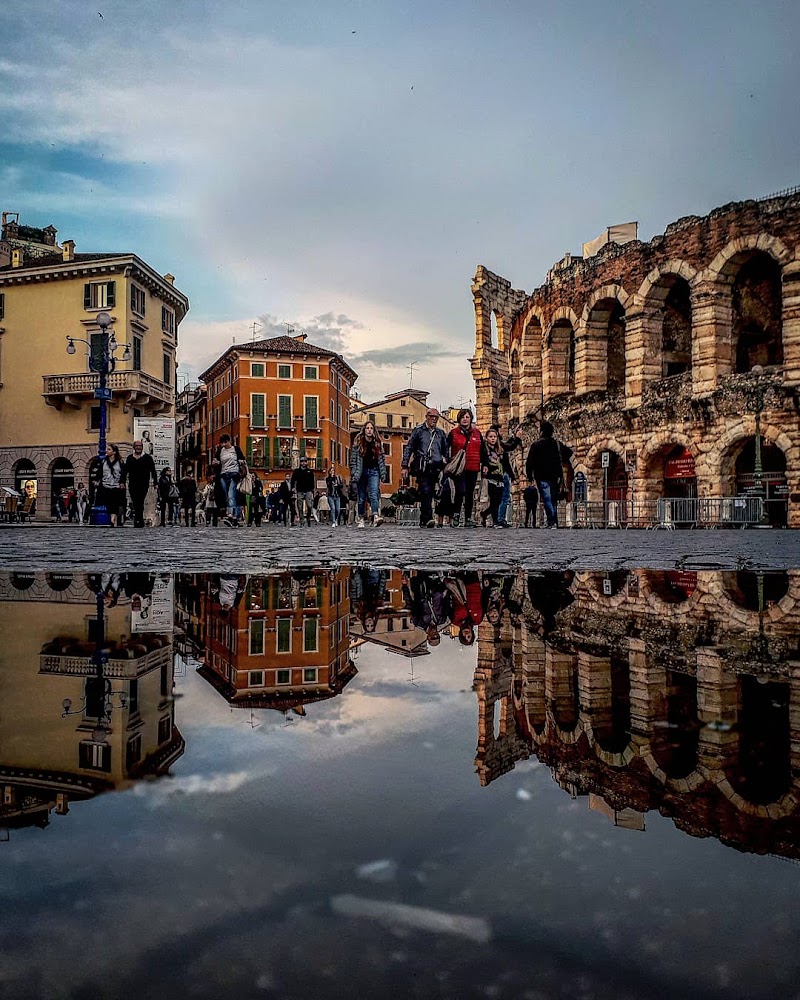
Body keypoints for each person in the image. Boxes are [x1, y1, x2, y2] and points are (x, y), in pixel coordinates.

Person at [401, 407, 449, 527]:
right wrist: (404, 465)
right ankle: (428, 518)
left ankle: (424, 520)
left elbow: (446, 450)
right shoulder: (418, 431)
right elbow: (409, 448)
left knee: (430, 492)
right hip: (422, 466)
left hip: (436, 467)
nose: (434, 419)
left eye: (436, 417)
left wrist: (445, 461)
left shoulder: (441, 433)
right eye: (431, 417)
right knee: (426, 490)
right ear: (426, 417)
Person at [525, 421, 573, 528]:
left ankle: (552, 521)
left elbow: (529, 462)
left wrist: (529, 476)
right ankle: (553, 521)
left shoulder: (536, 445)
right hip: (555, 475)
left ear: (541, 431)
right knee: (553, 499)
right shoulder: (556, 444)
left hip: (541, 476)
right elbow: (569, 453)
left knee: (547, 498)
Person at [446, 408, 483, 527]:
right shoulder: (453, 433)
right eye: (463, 417)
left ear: (471, 418)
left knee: (469, 493)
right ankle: (456, 513)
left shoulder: (477, 433)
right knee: (460, 490)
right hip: (459, 467)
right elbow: (446, 448)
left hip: (473, 466)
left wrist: (485, 464)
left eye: (467, 417)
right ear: (459, 419)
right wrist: (447, 461)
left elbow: (482, 450)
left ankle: (468, 517)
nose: (465, 419)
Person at [349, 419, 388, 528]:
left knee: (374, 494)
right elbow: (353, 460)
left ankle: (375, 516)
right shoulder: (358, 444)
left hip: (374, 471)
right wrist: (353, 473)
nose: (369, 430)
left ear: (374, 430)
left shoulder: (378, 444)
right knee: (361, 497)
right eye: (367, 428)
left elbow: (382, 460)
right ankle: (361, 518)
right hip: (361, 472)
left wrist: (383, 473)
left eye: (371, 428)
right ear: (364, 430)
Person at [212, 433, 247, 526]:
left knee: (231, 494)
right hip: (223, 475)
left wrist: (241, 461)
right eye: (222, 443)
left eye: (225, 442)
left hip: (234, 474)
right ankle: (235, 517)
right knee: (228, 496)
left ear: (229, 441)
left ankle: (230, 514)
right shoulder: (220, 451)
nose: (223, 445)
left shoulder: (236, 449)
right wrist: (216, 462)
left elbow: (243, 459)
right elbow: (215, 461)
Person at [492, 423, 523, 527]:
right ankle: (500, 519)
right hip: (501, 473)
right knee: (504, 497)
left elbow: (506, 445)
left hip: (497, 473)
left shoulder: (495, 443)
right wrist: (517, 438)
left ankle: (496, 518)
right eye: (500, 431)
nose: (502, 433)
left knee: (498, 498)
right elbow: (509, 448)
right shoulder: (498, 444)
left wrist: (513, 437)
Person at [122, 439, 158, 528]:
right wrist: (122, 481)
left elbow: (153, 471)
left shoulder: (148, 458)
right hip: (132, 483)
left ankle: (139, 520)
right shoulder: (130, 458)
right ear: (134, 447)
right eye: (137, 446)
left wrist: (155, 482)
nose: (138, 448)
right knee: (135, 502)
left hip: (143, 483)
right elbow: (125, 471)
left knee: (140, 501)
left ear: (142, 447)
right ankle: (138, 519)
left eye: (140, 446)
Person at [479, 427, 505, 527]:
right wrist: (485, 467)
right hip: (490, 477)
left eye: (494, 437)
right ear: (486, 438)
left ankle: (484, 514)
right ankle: (495, 521)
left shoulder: (500, 449)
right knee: (493, 500)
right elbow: (484, 459)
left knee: (497, 502)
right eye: (490, 437)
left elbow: (505, 462)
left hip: (500, 477)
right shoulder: (484, 448)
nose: (493, 439)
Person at [97, 444, 125, 526]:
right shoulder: (103, 461)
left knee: (115, 503)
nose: (107, 451)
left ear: (114, 452)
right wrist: (97, 480)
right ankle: (112, 518)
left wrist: (122, 482)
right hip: (106, 485)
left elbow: (123, 473)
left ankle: (113, 518)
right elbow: (100, 472)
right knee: (108, 502)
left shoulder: (120, 462)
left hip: (116, 485)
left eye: (109, 449)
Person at [290, 458, 316, 526]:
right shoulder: (296, 471)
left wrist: (313, 490)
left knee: (309, 505)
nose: (303, 463)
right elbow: (293, 480)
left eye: (305, 461)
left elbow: (312, 481)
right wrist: (293, 488)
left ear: (306, 462)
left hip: (308, 491)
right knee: (300, 506)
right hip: (300, 491)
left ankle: (308, 518)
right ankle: (302, 520)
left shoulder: (310, 471)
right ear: (300, 463)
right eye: (302, 461)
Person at [325, 464, 344, 528]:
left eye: (333, 470)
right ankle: (333, 521)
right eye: (331, 471)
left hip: (337, 495)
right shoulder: (328, 478)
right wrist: (332, 478)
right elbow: (328, 485)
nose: (332, 472)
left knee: (338, 510)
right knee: (333, 508)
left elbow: (341, 486)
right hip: (331, 495)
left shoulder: (338, 478)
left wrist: (337, 485)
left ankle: (335, 519)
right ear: (329, 472)